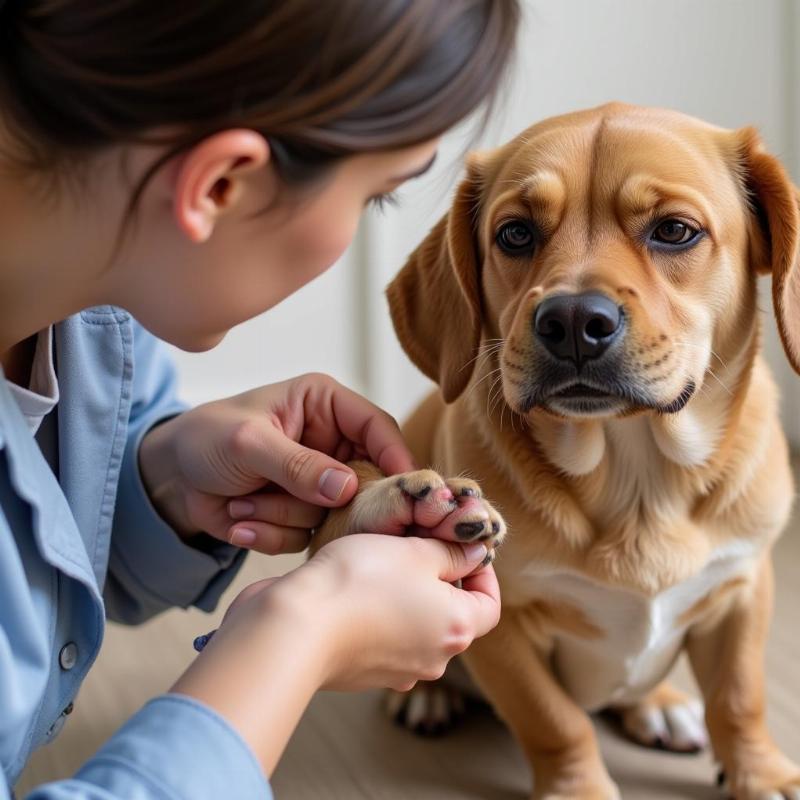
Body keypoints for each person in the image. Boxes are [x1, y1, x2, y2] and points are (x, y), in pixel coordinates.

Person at [0, 1, 519, 797]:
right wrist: (298, 635)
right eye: (376, 194)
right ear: (220, 185)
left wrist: (161, 481)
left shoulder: (99, 309)